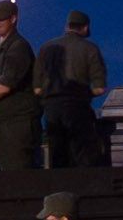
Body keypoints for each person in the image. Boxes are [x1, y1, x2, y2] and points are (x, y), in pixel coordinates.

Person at [0, 0, 41, 171]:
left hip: (17, 123)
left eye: (1, 19)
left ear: (13, 19)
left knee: (17, 175)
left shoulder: (19, 47)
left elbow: (4, 86)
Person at [38, 11, 110, 166]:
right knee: (83, 157)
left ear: (67, 26)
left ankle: (59, 188)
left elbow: (37, 88)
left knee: (57, 158)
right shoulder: (90, 49)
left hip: (51, 112)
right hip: (78, 109)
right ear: (85, 28)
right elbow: (100, 88)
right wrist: (84, 93)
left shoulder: (46, 48)